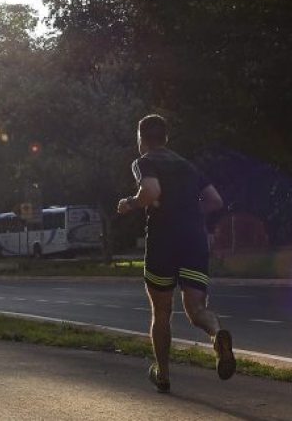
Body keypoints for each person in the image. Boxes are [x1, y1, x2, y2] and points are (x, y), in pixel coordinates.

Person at [117, 114, 235, 393]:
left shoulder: (144, 161)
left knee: (161, 311)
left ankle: (163, 375)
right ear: (166, 137)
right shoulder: (188, 166)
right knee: (197, 310)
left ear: (141, 139)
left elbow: (151, 190)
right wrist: (189, 212)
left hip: (163, 240)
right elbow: (215, 200)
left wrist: (129, 203)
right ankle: (217, 334)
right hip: (194, 239)